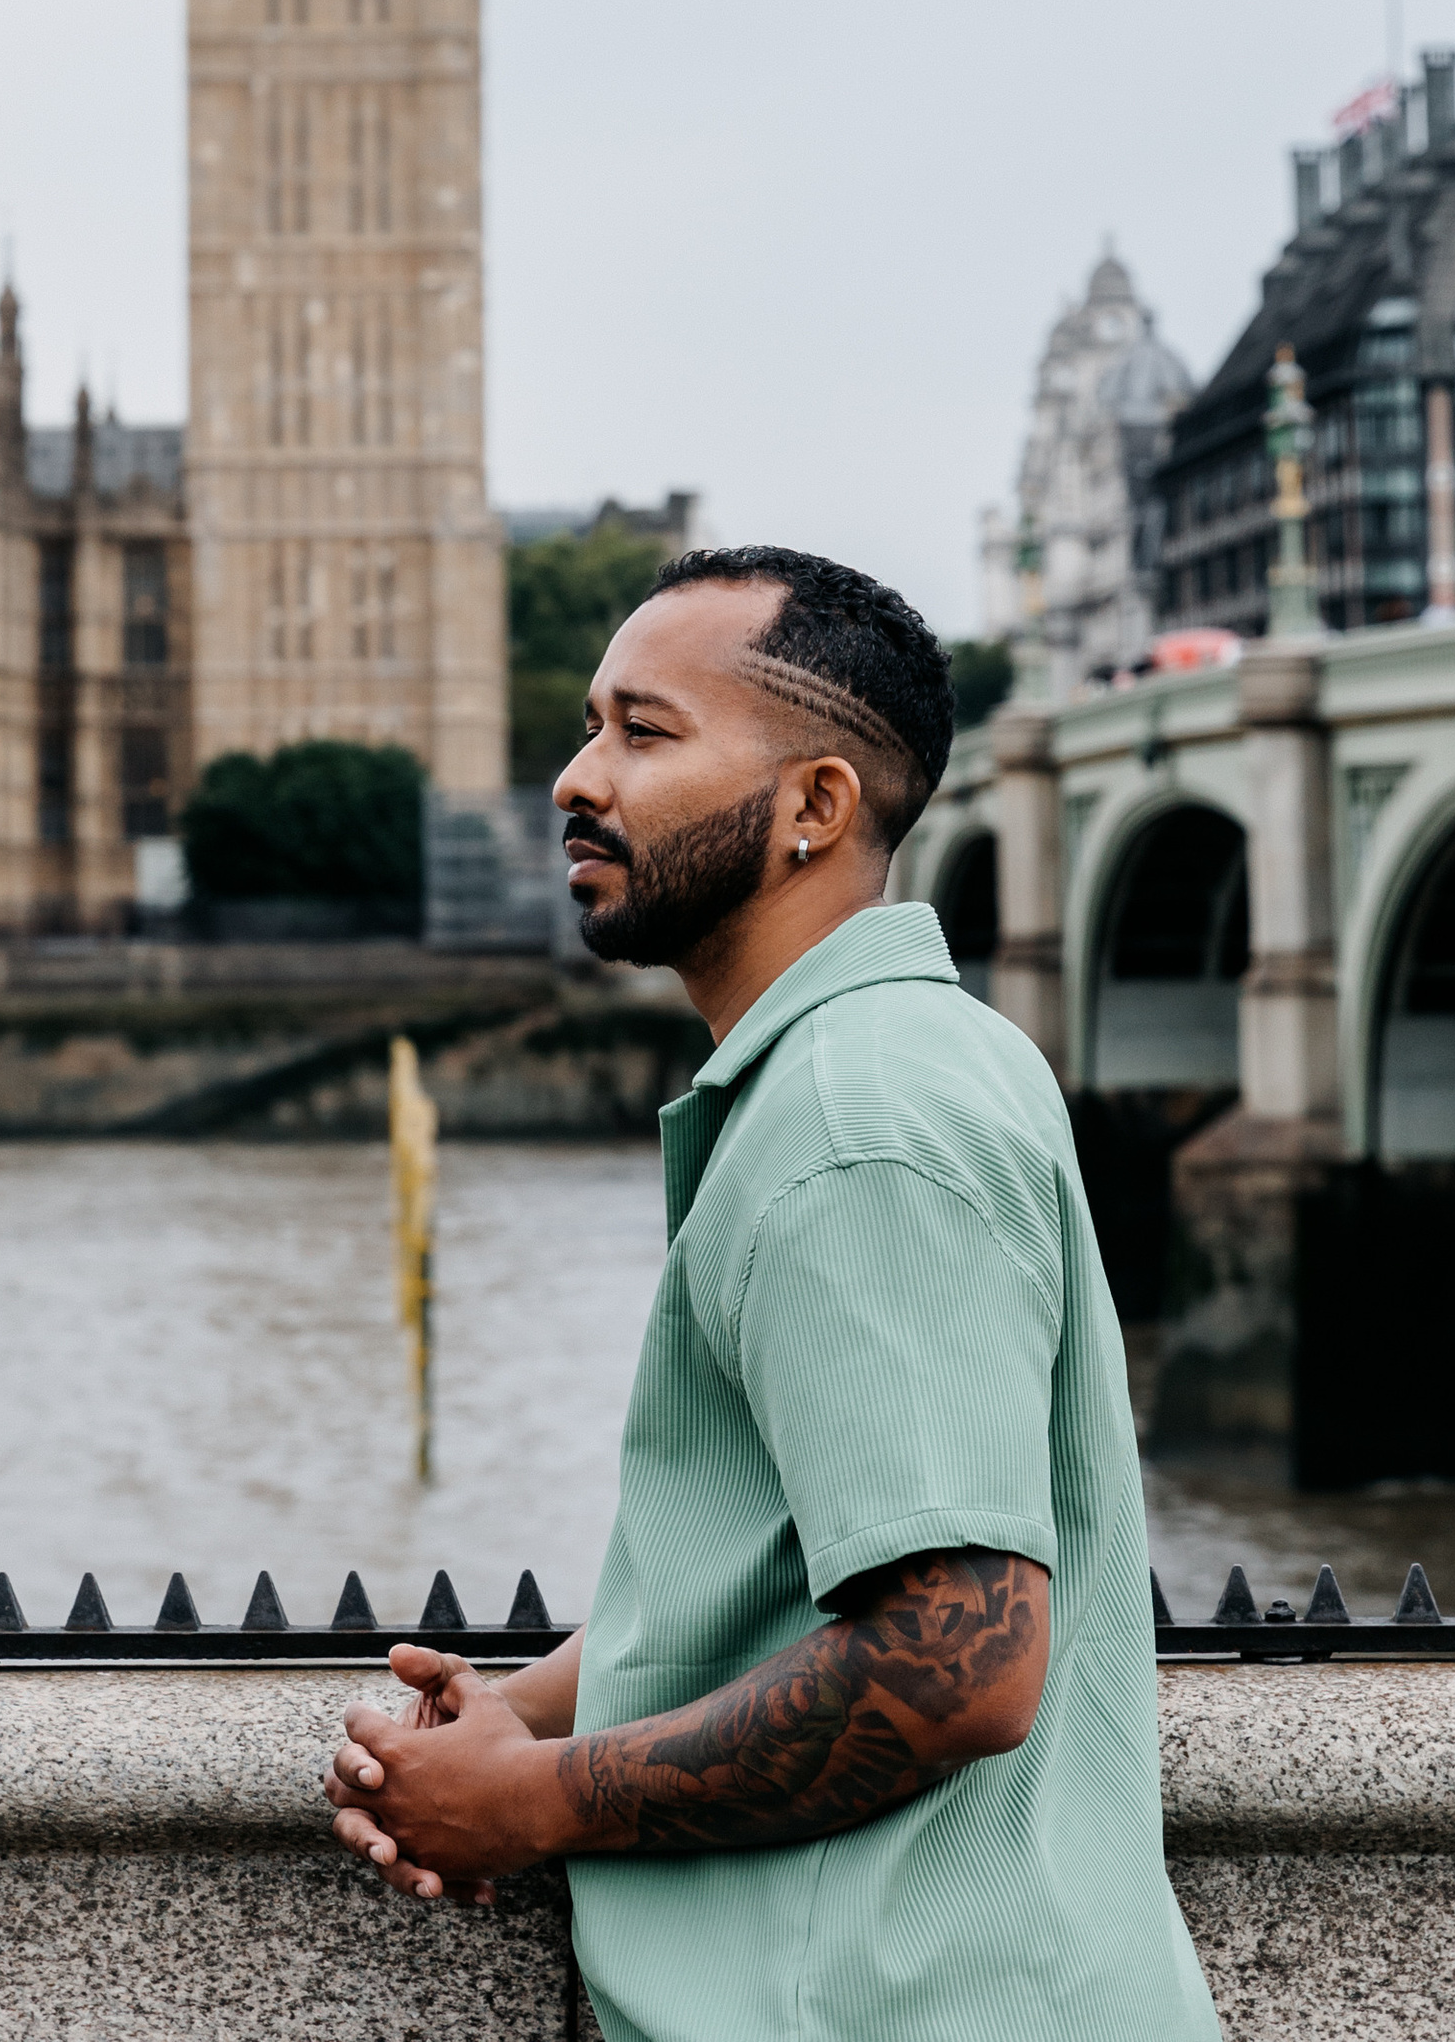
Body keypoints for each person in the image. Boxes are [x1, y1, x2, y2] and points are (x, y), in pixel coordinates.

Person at [327, 543, 1219, 2042]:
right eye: (589, 725)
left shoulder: (855, 1121)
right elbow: (773, 1564)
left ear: (817, 806)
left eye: (642, 732)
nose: (573, 778)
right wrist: (516, 1718)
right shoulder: (903, 1062)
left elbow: (962, 1662)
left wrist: (536, 1800)